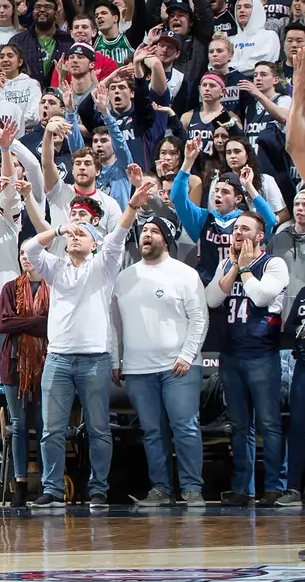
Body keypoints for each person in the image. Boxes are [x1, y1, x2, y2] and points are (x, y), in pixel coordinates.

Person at [23, 179, 143, 508]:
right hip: (59, 359)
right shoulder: (56, 267)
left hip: (94, 359)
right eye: (72, 236)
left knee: (99, 429)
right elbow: (32, 249)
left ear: (94, 245)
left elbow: (117, 237)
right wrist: (61, 229)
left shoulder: (104, 266)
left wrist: (131, 206)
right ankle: (52, 490)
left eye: (82, 235)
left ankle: (99, 488)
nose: (75, 237)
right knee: (51, 430)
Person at [113, 207, 208, 508]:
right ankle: (160, 488)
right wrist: (117, 361)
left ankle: (192, 488)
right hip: (139, 370)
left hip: (179, 367)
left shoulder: (185, 274)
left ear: (166, 239)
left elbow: (199, 318)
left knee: (185, 428)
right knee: (152, 431)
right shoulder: (124, 278)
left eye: (154, 231)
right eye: (143, 231)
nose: (146, 235)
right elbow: (114, 324)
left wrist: (187, 354)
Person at [205, 208, 289, 506]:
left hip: (262, 356)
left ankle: (275, 487)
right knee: (239, 425)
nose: (238, 233)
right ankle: (243, 488)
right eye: (236, 228)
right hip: (231, 356)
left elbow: (261, 297)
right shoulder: (226, 262)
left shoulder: (274, 263)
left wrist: (244, 269)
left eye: (244, 229)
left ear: (259, 235)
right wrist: (232, 268)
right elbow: (212, 299)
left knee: (269, 423)